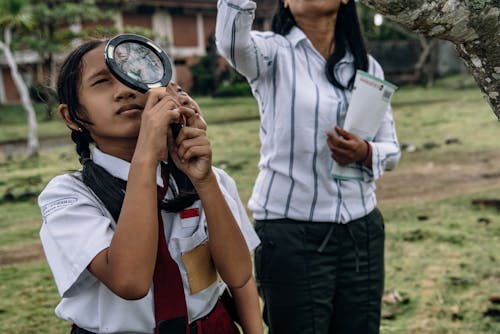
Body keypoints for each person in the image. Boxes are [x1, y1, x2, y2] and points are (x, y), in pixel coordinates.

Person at [38, 38, 263, 334]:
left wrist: (205, 181)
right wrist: (146, 153)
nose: (124, 89)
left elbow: (238, 276)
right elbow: (129, 282)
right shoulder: (68, 196)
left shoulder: (210, 179)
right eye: (103, 81)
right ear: (73, 116)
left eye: (134, 74)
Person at [216, 1, 400, 333]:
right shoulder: (271, 53)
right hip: (292, 233)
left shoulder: (366, 66)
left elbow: (391, 149)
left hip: (362, 232)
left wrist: (363, 151)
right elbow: (230, 41)